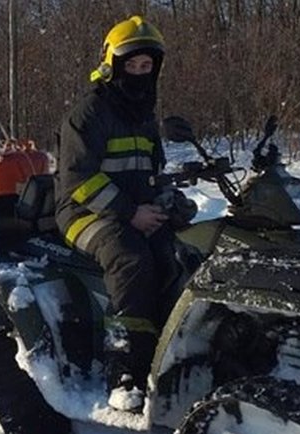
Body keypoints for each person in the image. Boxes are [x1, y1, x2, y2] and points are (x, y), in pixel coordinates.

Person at [54, 16, 195, 412]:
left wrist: (167, 197)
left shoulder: (145, 115)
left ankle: (173, 356)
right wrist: (130, 213)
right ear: (113, 65)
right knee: (130, 259)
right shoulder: (89, 112)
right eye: (131, 65)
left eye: (145, 66)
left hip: (134, 208)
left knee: (181, 254)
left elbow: (151, 171)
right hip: (82, 211)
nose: (138, 72)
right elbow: (79, 179)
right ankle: (125, 372)